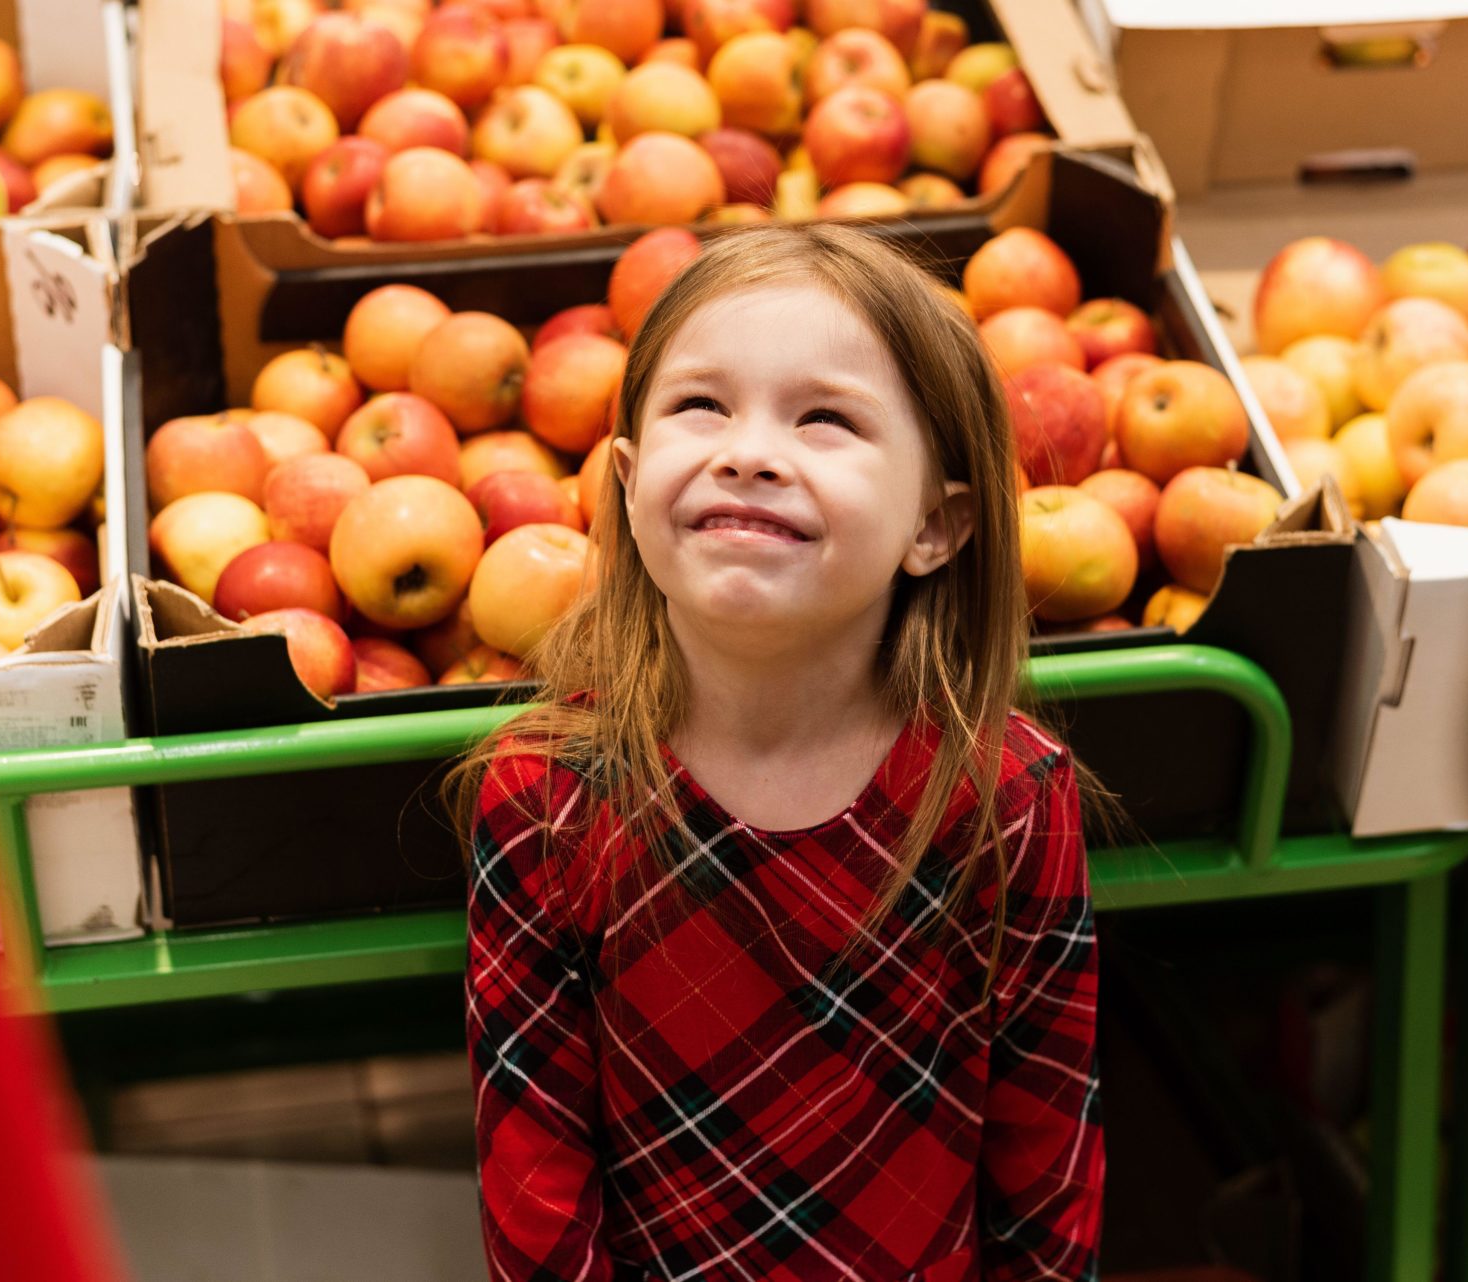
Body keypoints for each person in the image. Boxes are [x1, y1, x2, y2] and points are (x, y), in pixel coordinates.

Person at [449, 224, 1102, 1282]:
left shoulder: (1009, 798)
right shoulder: (545, 797)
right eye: (700, 405)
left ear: (936, 525)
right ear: (622, 479)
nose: (747, 451)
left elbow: (1048, 1167)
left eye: (826, 418)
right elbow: (538, 1191)